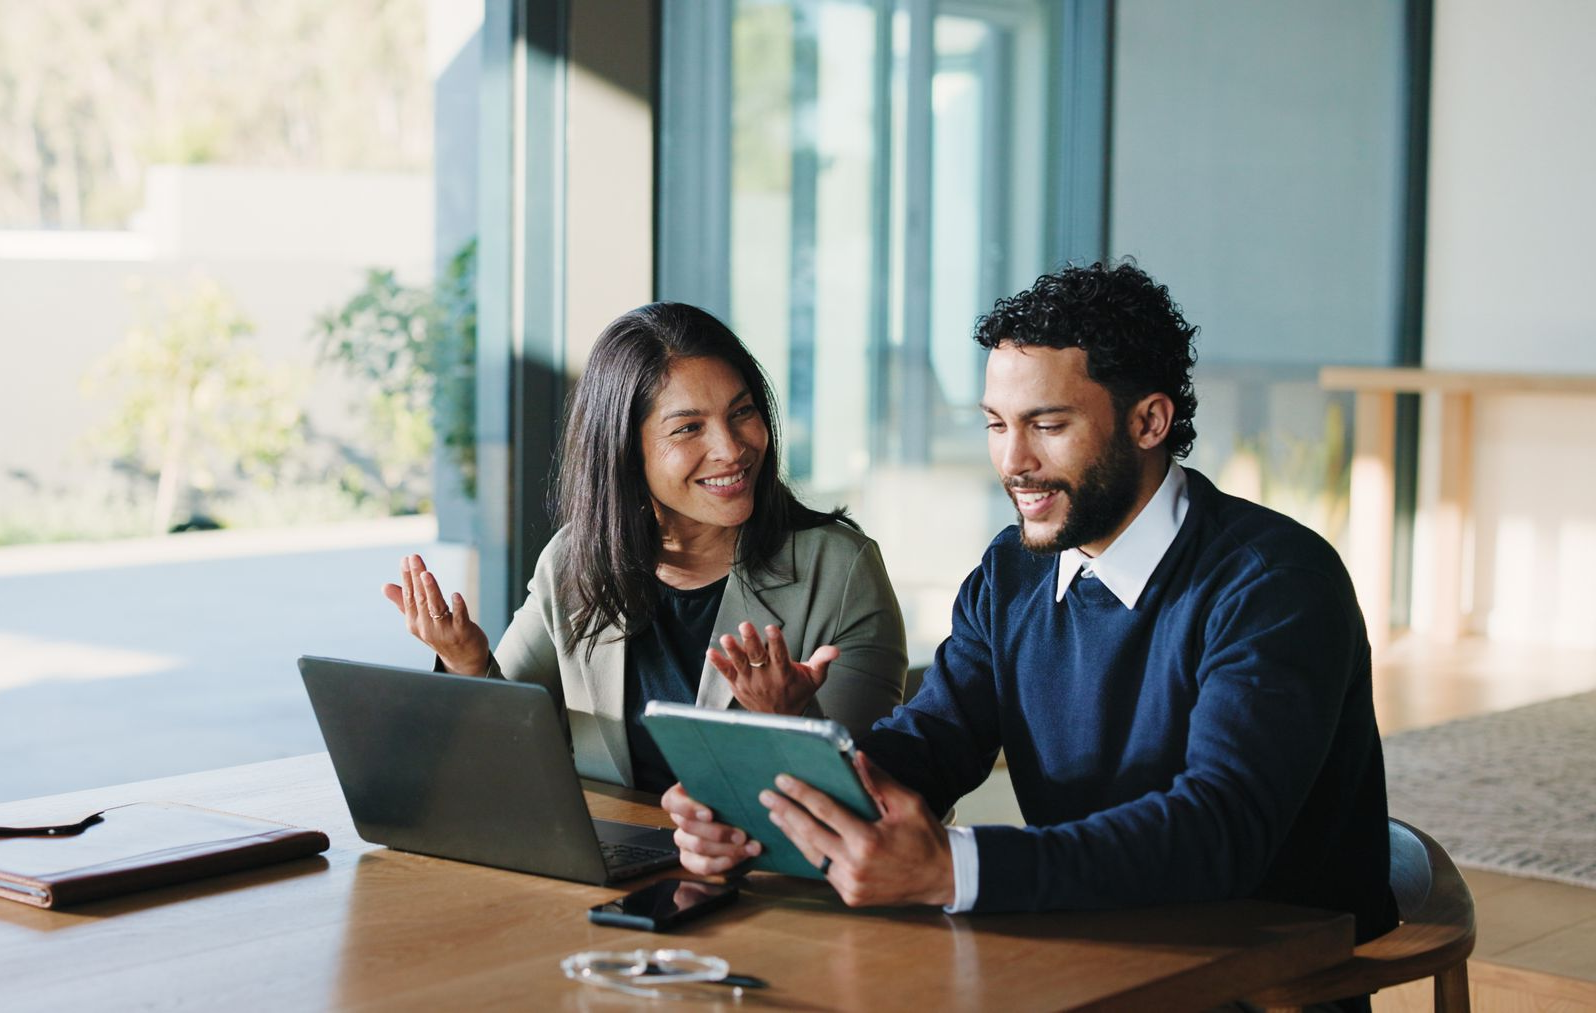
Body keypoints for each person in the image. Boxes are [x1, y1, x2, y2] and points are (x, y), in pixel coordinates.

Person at [665, 262, 1399, 954]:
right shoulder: (1014, 571)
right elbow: (930, 743)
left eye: (1047, 425)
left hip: (1255, 967)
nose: (1011, 461)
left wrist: (956, 869)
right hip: (1083, 940)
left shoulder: (1274, 582)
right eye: (995, 423)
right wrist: (764, 798)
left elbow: (1220, 831)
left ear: (1148, 421)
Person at [384, 302, 908, 793]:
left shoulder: (839, 569)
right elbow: (504, 758)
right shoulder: (573, 561)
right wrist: (466, 663)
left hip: (770, 882)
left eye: (742, 412)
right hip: (616, 868)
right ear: (623, 450)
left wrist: (787, 720)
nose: (731, 449)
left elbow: (871, 793)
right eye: (689, 429)